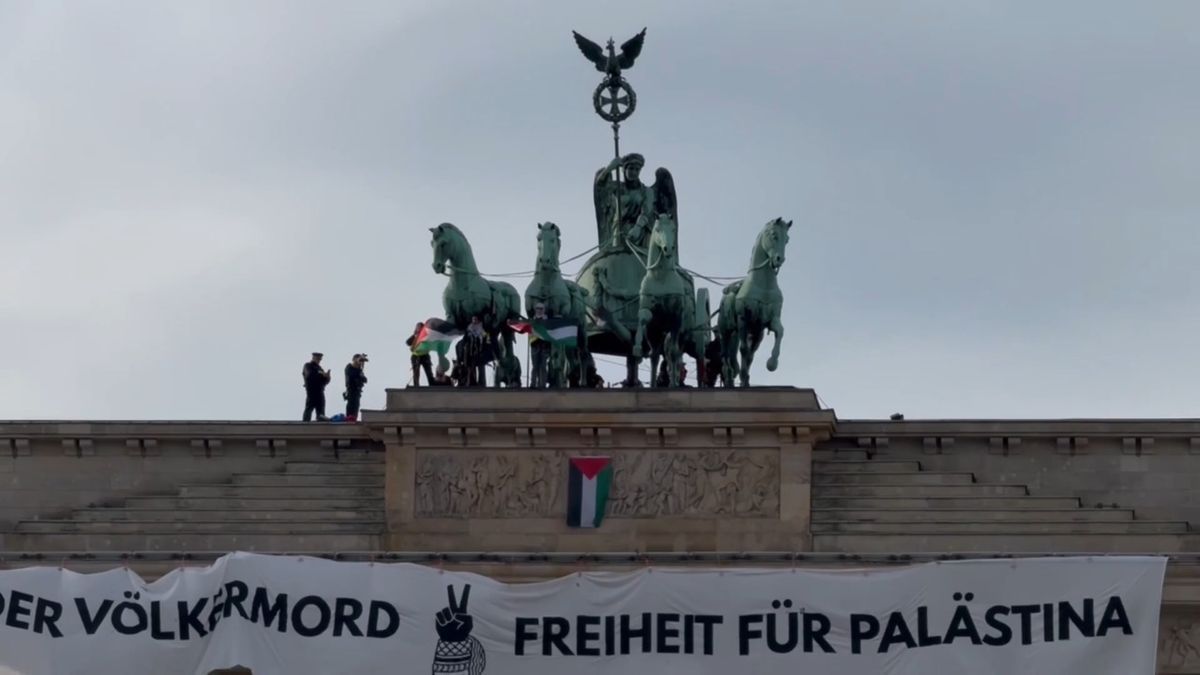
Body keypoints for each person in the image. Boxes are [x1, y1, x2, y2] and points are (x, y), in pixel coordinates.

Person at [301, 352, 331, 421]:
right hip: (311, 391)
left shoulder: (319, 368)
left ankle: (321, 427)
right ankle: (305, 426)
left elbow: (324, 381)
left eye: (320, 359)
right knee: (309, 409)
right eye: (318, 358)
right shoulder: (308, 365)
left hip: (320, 391)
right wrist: (321, 375)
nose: (319, 360)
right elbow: (309, 375)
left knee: (321, 412)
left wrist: (327, 377)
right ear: (313, 358)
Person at [405, 322, 435, 386]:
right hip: (416, 356)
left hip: (425, 356)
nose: (419, 329)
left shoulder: (426, 336)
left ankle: (432, 385)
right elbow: (408, 342)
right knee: (416, 374)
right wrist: (415, 336)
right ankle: (416, 387)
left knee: (429, 373)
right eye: (418, 327)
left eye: (421, 327)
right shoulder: (415, 336)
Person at [529, 302, 551, 388]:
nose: (539, 310)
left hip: (544, 346)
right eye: (538, 308)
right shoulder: (532, 320)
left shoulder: (547, 321)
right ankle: (533, 383)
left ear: (544, 310)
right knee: (535, 366)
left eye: (541, 308)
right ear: (535, 309)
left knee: (543, 366)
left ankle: (542, 384)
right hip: (534, 346)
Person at [463, 315, 489, 387]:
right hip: (470, 352)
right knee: (471, 367)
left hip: (479, 351)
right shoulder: (469, 328)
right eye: (473, 319)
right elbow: (465, 339)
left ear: (478, 320)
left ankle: (481, 383)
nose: (474, 321)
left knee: (480, 366)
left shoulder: (481, 328)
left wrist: (487, 340)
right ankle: (472, 382)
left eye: (475, 319)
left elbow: (486, 336)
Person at [343, 353, 368, 421]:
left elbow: (365, 380)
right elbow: (352, 374)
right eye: (358, 359)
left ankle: (353, 419)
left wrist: (361, 366)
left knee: (356, 407)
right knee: (351, 406)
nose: (360, 362)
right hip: (351, 390)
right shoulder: (349, 367)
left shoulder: (359, 370)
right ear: (353, 359)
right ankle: (349, 419)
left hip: (357, 391)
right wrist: (359, 368)